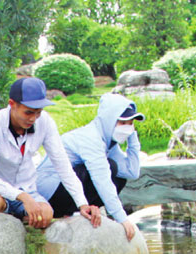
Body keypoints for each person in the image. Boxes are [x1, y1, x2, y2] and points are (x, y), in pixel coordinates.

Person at [0, 76, 102, 230]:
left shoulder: (45, 122)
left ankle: (18, 221)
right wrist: (22, 197)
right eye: (28, 112)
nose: (33, 119)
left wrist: (82, 203)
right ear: (12, 104)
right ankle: (6, 221)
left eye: (38, 112)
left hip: (27, 188)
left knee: (46, 214)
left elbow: (63, 166)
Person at [36, 93, 143, 241]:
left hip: (71, 191)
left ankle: (79, 212)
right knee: (109, 168)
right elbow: (102, 179)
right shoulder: (90, 137)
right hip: (50, 192)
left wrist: (132, 138)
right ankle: (68, 212)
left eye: (130, 123)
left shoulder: (109, 142)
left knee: (117, 174)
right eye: (122, 123)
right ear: (109, 120)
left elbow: (131, 172)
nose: (126, 128)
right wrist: (122, 219)